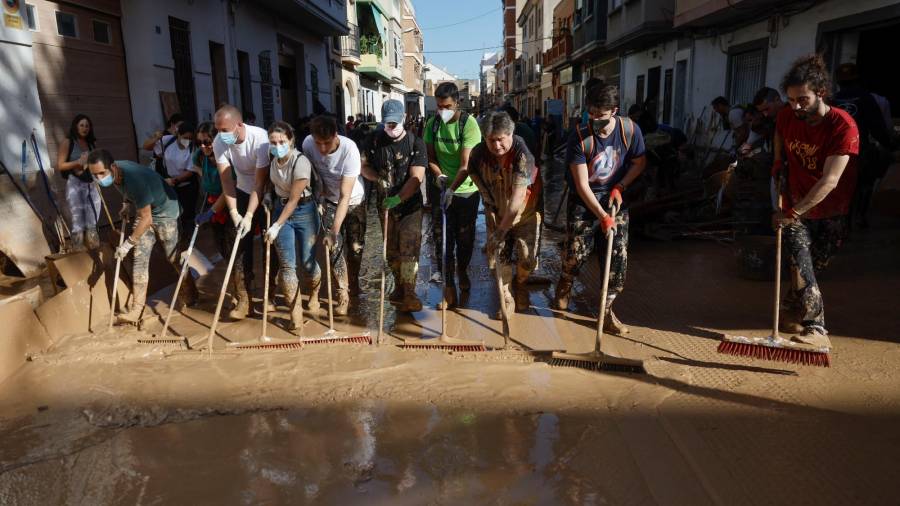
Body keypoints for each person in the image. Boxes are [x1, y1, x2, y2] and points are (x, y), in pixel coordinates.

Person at [771, 54, 859, 344]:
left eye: (803, 100)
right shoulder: (787, 114)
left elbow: (830, 180)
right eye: (791, 100)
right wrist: (777, 159)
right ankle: (816, 328)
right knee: (801, 262)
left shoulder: (842, 126)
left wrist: (794, 211)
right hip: (795, 201)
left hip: (832, 207)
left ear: (821, 93)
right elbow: (779, 132)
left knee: (811, 267)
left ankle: (789, 309)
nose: (796, 107)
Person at [553, 85, 646, 335]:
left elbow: (639, 162)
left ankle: (606, 312)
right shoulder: (580, 136)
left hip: (615, 201)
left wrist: (620, 186)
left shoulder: (629, 131)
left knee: (617, 260)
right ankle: (566, 281)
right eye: (590, 113)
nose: (593, 119)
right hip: (584, 203)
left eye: (599, 115)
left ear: (614, 111)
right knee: (575, 255)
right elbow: (582, 185)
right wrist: (602, 216)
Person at [87, 149, 197, 324]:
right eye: (95, 175)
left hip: (165, 212)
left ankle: (190, 290)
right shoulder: (116, 174)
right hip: (146, 210)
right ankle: (137, 309)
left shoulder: (134, 179)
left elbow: (146, 218)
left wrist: (127, 244)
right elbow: (127, 191)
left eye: (102, 173)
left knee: (173, 257)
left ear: (113, 167)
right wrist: (126, 204)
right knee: (140, 259)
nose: (100, 178)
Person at [461, 112, 542, 318]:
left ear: (511, 134)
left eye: (500, 139)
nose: (496, 146)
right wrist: (487, 199)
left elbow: (518, 198)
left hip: (524, 213)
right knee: (499, 258)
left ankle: (521, 283)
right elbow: (473, 173)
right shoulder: (479, 154)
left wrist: (502, 230)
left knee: (527, 259)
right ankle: (506, 296)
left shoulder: (522, 155)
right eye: (491, 140)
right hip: (496, 211)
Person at [361, 100, 428, 312]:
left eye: (395, 123)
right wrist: (376, 179)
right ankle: (399, 287)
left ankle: (410, 293)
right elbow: (363, 167)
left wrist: (399, 198)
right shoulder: (373, 141)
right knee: (391, 251)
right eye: (388, 124)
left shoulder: (415, 143)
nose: (391, 128)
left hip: (409, 207)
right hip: (385, 207)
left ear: (404, 118)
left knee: (408, 250)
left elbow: (417, 177)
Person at [425, 82, 483, 307]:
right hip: (440, 189)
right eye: (439, 106)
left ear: (457, 103)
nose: (442, 111)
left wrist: (453, 189)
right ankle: (449, 288)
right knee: (442, 241)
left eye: (447, 106)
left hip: (466, 191)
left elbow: (466, 164)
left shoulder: (469, 125)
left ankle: (462, 271)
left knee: (465, 240)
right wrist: (439, 177)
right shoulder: (432, 124)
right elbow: (431, 158)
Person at [302, 115, 367, 315]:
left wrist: (334, 230)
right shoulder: (307, 144)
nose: (321, 149)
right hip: (329, 201)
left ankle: (353, 283)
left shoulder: (349, 150)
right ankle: (342, 293)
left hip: (353, 200)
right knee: (334, 248)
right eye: (318, 143)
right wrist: (318, 194)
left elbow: (345, 195)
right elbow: (312, 173)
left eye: (327, 143)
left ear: (335, 135)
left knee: (355, 250)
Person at [213, 104, 271, 320]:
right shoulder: (219, 142)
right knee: (238, 243)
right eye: (218, 130)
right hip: (242, 188)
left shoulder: (260, 138)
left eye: (225, 130)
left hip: (265, 190)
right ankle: (244, 298)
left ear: (239, 125)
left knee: (269, 243)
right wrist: (236, 213)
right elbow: (226, 180)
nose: (221, 134)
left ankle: (270, 295)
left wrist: (249, 215)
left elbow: (260, 180)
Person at [263, 121, 320, 329]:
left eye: (282, 141)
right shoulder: (272, 161)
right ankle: (295, 315)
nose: (277, 146)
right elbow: (273, 182)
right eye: (273, 142)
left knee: (307, 263)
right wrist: (268, 195)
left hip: (304, 211)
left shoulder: (301, 162)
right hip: (280, 209)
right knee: (287, 265)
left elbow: (294, 199)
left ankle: (314, 293)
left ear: (291, 141)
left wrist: (276, 226)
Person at [832, 62, 894, 228]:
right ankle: (858, 217)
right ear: (858, 80)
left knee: (837, 185)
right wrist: (890, 146)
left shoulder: (832, 101)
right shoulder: (867, 98)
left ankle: (840, 219)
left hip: (834, 153)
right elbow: (878, 128)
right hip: (859, 152)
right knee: (863, 184)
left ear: (838, 81)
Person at [56, 114, 101, 250]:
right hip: (75, 184)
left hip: (91, 183)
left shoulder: (91, 144)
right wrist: (78, 162)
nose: (84, 128)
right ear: (76, 126)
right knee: (78, 220)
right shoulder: (68, 142)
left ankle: (94, 251)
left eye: (87, 126)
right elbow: (60, 165)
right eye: (81, 125)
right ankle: (78, 252)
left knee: (93, 218)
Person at [192, 122, 231, 271]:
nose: (202, 146)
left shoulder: (227, 156)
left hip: (230, 201)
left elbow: (228, 190)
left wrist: (211, 212)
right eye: (199, 143)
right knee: (220, 242)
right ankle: (229, 266)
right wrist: (204, 175)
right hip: (212, 199)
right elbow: (194, 164)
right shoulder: (200, 155)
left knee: (232, 242)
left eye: (207, 142)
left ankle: (241, 278)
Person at [160, 122, 199, 243]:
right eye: (185, 138)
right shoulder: (168, 141)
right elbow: (148, 146)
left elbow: (190, 171)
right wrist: (156, 136)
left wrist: (174, 180)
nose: (187, 141)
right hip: (170, 184)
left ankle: (189, 241)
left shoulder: (193, 149)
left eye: (190, 138)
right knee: (173, 213)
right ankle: (176, 237)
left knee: (187, 214)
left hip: (187, 185)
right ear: (178, 135)